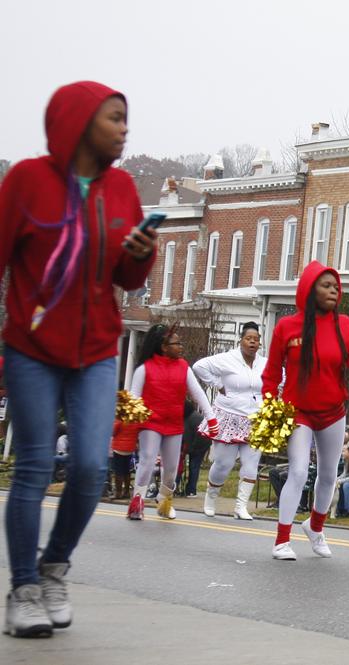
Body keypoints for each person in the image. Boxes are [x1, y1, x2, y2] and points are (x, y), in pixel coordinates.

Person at [0, 81, 158, 637]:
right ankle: (22, 588)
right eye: (114, 118)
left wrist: (140, 256)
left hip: (95, 351)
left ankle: (53, 568)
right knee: (36, 467)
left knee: (91, 467)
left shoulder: (120, 188)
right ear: (78, 121)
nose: (124, 128)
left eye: (126, 118)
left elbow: (127, 278)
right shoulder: (26, 181)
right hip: (31, 348)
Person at [262, 260, 349, 561]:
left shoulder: (344, 325)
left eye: (336, 287)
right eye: (326, 286)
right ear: (309, 290)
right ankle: (282, 540)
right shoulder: (287, 327)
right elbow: (272, 373)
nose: (333, 291)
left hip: (333, 412)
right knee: (298, 472)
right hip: (298, 412)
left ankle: (315, 527)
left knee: (328, 474)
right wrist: (269, 404)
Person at [129, 324, 218, 521]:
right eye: (176, 343)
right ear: (163, 346)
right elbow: (133, 398)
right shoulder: (144, 369)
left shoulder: (183, 367)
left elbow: (198, 393)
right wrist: (132, 421)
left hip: (174, 424)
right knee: (148, 459)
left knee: (171, 467)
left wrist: (211, 418)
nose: (181, 347)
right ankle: (137, 501)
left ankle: (164, 500)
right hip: (150, 422)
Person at [192, 321, 266, 519]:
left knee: (251, 465)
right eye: (248, 339)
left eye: (256, 340)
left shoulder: (264, 363)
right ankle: (211, 498)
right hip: (229, 416)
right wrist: (217, 383)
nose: (252, 342)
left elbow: (280, 378)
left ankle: (241, 507)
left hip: (255, 419)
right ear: (241, 341)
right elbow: (199, 367)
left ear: (260, 343)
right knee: (223, 464)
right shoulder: (227, 359)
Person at [179, 401, 212, 497]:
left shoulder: (191, 419)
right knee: (194, 467)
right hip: (200, 443)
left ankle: (191, 490)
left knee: (193, 466)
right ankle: (190, 490)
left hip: (200, 444)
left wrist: (190, 450)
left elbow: (190, 436)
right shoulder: (193, 416)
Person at [110, 419, 140, 500]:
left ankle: (118, 493)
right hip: (130, 448)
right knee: (127, 470)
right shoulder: (136, 419)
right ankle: (126, 492)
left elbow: (113, 431)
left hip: (118, 448)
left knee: (118, 471)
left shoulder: (120, 419)